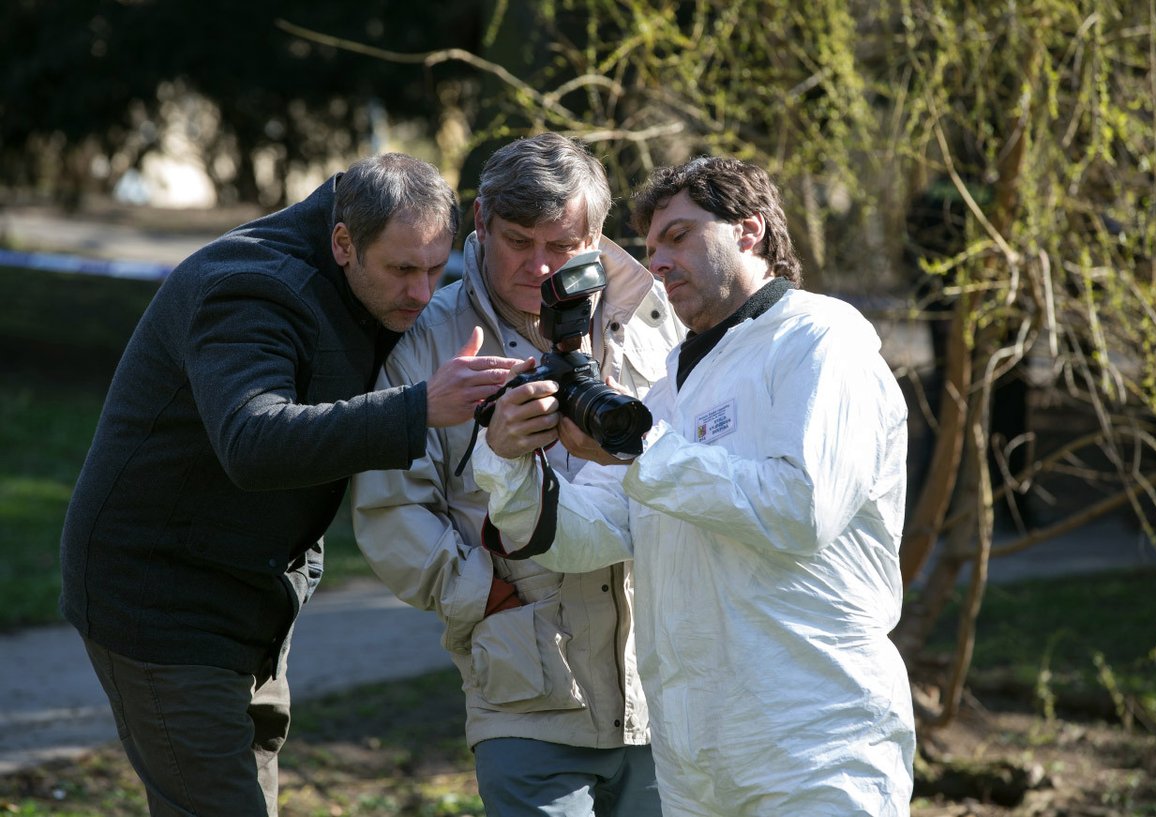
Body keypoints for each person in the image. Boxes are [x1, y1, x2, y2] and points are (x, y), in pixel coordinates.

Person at [59, 153, 522, 817]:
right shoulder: (249, 287)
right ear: (342, 242)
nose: (422, 294)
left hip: (254, 603)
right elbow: (252, 440)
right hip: (158, 602)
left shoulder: (367, 285)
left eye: (434, 268)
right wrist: (418, 407)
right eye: (402, 269)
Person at [471, 156, 916, 816]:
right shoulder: (671, 387)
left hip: (816, 748)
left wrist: (639, 447)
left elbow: (801, 510)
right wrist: (507, 458)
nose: (658, 262)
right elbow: (579, 536)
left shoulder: (820, 340)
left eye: (678, 236)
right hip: (694, 768)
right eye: (650, 247)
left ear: (750, 230)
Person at [352, 133, 683, 816]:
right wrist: (483, 595)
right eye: (517, 240)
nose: (538, 266)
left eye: (561, 246)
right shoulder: (427, 339)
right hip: (526, 698)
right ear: (479, 222)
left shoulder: (655, 319)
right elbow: (390, 510)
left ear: (596, 237)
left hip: (667, 692)